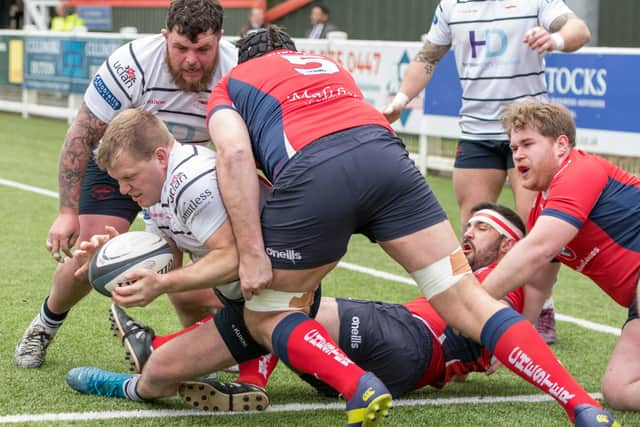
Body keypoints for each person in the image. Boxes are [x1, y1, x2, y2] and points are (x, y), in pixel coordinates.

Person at [206, 26, 615, 426]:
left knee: (267, 312)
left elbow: (236, 154)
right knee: (471, 302)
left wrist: (253, 251)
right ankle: (580, 405)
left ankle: (357, 384)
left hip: (316, 172)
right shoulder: (328, 65)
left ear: (242, 59)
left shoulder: (233, 82)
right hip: (386, 158)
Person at [14, 0, 237, 369]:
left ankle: (210, 351)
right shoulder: (131, 64)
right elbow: (81, 136)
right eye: (181, 47)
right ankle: (44, 325)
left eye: (203, 49)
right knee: (90, 259)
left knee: (183, 275)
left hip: (181, 169)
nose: (192, 60)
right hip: (117, 161)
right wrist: (67, 212)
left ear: (221, 40)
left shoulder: (235, 70)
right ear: (165, 36)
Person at [382, 0, 591, 347]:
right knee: (474, 231)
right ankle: (479, 311)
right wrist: (402, 99)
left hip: (529, 132)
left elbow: (578, 30)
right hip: (476, 133)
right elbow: (428, 57)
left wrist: (554, 41)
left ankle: (541, 308)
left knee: (537, 230)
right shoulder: (451, 6)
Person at [65, 108, 283, 412]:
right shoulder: (156, 189)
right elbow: (166, 255)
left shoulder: (190, 181)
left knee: (160, 366)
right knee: (187, 295)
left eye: (128, 178)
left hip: (279, 290)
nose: (123, 190)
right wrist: (112, 256)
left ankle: (157, 348)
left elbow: (236, 259)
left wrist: (162, 282)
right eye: (118, 181)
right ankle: (226, 367)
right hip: (252, 294)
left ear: (160, 157)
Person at [479, 100, 640, 413]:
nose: (518, 155)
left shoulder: (579, 169)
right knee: (619, 391)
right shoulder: (543, 209)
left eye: (527, 144)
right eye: (514, 147)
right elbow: (536, 289)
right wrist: (506, 345)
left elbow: (538, 248)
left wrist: (472, 303)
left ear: (561, 145)